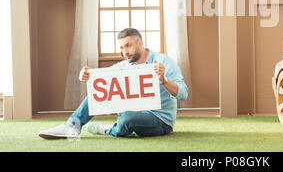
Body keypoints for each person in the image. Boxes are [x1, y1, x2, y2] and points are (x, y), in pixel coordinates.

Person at [38, 27, 188, 139]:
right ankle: (72, 126)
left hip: (160, 120)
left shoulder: (163, 61)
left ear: (140, 43)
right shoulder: (122, 67)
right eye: (122, 48)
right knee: (102, 95)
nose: (125, 52)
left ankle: (110, 129)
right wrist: (88, 75)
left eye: (128, 46)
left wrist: (163, 80)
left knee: (127, 119)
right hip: (132, 112)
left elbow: (183, 93)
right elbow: (102, 82)